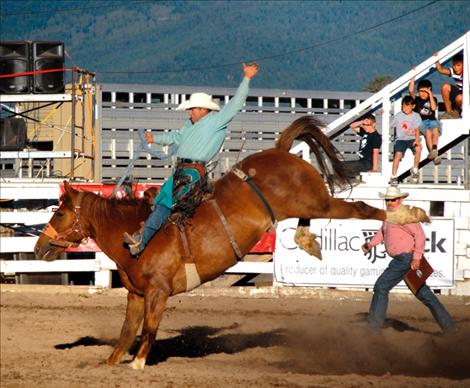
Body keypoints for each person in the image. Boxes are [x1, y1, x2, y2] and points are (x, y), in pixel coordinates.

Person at [123, 63, 260, 256]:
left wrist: (246, 78)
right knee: (162, 201)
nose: (189, 112)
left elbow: (236, 103)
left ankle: (142, 239)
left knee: (166, 203)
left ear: (203, 109)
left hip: (192, 173)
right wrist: (155, 139)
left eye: (192, 109)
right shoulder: (190, 124)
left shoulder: (217, 121)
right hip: (182, 172)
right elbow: (176, 138)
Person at [362, 186, 455, 334]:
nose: (389, 202)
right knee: (424, 294)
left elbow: (420, 237)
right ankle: (450, 328)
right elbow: (382, 232)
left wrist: (416, 258)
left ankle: (373, 328)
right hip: (405, 259)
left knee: (381, 287)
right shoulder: (389, 216)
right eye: (387, 200)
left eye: (392, 200)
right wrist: (371, 244)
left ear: (400, 200)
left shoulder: (405, 216)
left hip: (404, 259)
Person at [389, 95, 422, 185]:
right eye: (403, 106)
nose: (405, 108)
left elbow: (417, 129)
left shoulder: (416, 116)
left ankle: (415, 170)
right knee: (398, 155)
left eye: (407, 106)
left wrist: (417, 139)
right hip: (401, 139)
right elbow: (390, 125)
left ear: (413, 106)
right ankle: (393, 176)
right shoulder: (399, 115)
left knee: (418, 148)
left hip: (411, 138)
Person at [408, 77, 441, 165]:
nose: (422, 94)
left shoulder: (433, 99)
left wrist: (430, 94)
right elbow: (411, 90)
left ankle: (434, 149)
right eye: (420, 91)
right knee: (428, 132)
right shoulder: (417, 100)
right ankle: (435, 155)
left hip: (432, 120)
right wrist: (413, 77)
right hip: (421, 122)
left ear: (429, 90)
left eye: (424, 91)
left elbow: (433, 108)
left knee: (435, 130)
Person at [343, 113, 382, 179]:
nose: (365, 127)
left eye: (368, 125)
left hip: (368, 164)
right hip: (362, 161)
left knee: (346, 168)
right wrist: (362, 121)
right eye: (364, 125)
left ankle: (348, 180)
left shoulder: (376, 137)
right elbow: (352, 126)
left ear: (374, 124)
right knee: (340, 165)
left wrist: (375, 169)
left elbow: (375, 153)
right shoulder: (365, 132)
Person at [434, 52, 463, 118]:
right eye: (454, 65)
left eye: (458, 65)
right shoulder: (453, 71)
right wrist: (436, 59)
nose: (456, 68)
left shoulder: (466, 71)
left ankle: (457, 110)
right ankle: (449, 112)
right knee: (445, 86)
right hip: (458, 91)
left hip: (464, 94)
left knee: (460, 98)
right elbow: (440, 70)